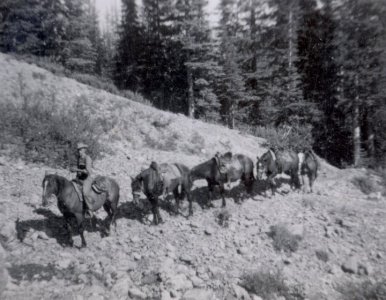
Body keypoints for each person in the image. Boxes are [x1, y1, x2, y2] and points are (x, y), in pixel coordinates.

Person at [71, 143, 94, 218]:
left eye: (81, 150)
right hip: (79, 178)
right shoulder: (79, 158)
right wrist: (73, 170)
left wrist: (77, 169)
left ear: (84, 150)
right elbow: (77, 169)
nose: (79, 152)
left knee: (85, 193)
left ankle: (90, 210)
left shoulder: (87, 158)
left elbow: (88, 171)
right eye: (78, 150)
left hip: (86, 179)